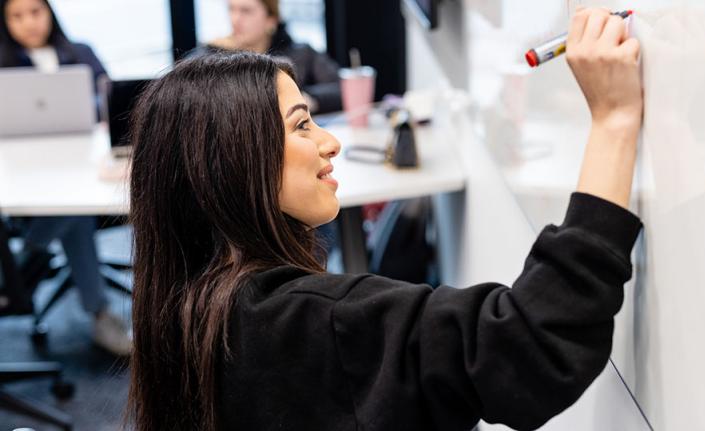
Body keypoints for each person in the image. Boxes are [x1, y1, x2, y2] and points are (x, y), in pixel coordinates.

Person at [127, 7, 643, 431]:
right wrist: (614, 121)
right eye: (302, 125)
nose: (330, 141)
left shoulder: (188, 305)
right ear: (234, 161)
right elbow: (531, 350)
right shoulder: (315, 320)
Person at [0, 0, 131, 356]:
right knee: (74, 211)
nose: (29, 22)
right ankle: (99, 314)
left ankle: (28, 253)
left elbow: (111, 100)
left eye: (36, 12)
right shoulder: (3, 61)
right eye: (17, 15)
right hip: (25, 171)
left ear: (50, 14)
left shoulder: (79, 52)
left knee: (74, 209)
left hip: (85, 162)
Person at [202, 0, 342, 114]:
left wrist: (307, 100)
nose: (235, 19)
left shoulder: (302, 53)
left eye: (246, 11)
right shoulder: (212, 55)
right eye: (231, 9)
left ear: (271, 20)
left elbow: (343, 89)